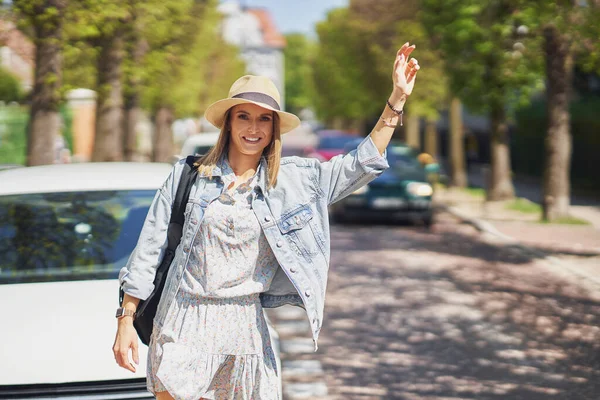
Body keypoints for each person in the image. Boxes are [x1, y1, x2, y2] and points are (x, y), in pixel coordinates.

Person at [113, 42, 420, 400]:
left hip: (245, 329)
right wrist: (125, 320)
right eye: (244, 116)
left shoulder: (292, 182)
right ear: (228, 122)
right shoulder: (189, 175)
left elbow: (359, 164)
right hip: (184, 323)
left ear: (274, 127)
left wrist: (396, 100)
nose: (253, 127)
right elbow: (148, 249)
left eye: (264, 119)